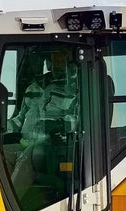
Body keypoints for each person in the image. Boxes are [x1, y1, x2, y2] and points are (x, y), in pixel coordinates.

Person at [7, 50, 80, 193]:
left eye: (62, 59)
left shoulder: (76, 89)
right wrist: (2, 127)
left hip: (53, 146)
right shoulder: (34, 87)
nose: (57, 64)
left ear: (72, 64)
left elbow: (80, 120)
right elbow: (20, 119)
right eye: (54, 59)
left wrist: (59, 123)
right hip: (24, 142)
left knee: (25, 158)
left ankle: (6, 208)